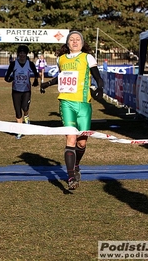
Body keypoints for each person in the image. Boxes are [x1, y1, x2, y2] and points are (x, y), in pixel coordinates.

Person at [39, 31, 104, 190]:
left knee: (81, 142)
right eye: (72, 39)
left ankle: (76, 164)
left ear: (82, 43)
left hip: (83, 103)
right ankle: (70, 177)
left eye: (78, 39)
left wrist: (100, 88)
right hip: (66, 102)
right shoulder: (61, 59)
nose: (75, 42)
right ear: (67, 43)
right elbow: (62, 77)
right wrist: (47, 84)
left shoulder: (87, 57)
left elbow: (98, 77)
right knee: (71, 139)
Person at [4, 45, 39, 139]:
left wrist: (36, 80)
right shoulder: (13, 64)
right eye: (20, 53)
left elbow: (36, 74)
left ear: (26, 54)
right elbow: (7, 76)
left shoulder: (30, 64)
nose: (22, 54)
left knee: (25, 106)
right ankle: (19, 131)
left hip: (26, 90)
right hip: (16, 91)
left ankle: (26, 116)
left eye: (24, 53)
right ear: (18, 54)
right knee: (18, 111)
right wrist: (10, 78)